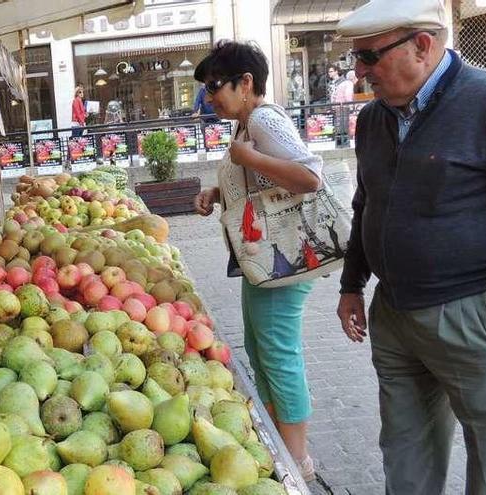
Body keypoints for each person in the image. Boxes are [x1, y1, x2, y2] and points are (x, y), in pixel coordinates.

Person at [336, 0, 486, 493]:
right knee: (405, 449)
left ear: (421, 46)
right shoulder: (373, 119)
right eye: (356, 59)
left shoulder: (485, 101)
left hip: (469, 315)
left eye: (369, 57)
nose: (360, 72)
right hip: (395, 315)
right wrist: (351, 284)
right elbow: (366, 202)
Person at [192, 40, 322, 481]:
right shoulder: (245, 124)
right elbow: (260, 186)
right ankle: (281, 443)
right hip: (263, 262)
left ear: (246, 82)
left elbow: (309, 176)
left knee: (278, 354)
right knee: (260, 350)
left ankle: (297, 460)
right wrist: (216, 192)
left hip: (283, 261)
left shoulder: (263, 119)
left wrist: (251, 156)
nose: (210, 98)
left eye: (215, 87)